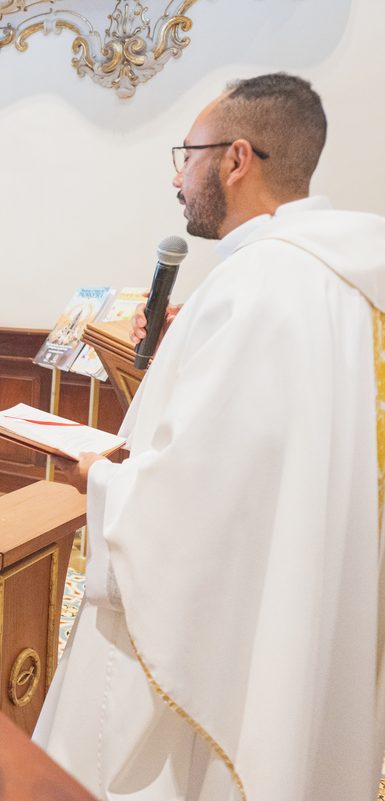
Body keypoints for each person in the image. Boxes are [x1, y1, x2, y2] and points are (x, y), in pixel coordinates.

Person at [34, 74, 385, 801]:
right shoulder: (350, 281)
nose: (175, 176)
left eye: (185, 154)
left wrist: (100, 477)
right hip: (317, 587)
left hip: (231, 619)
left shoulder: (259, 285)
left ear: (237, 158)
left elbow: (197, 503)